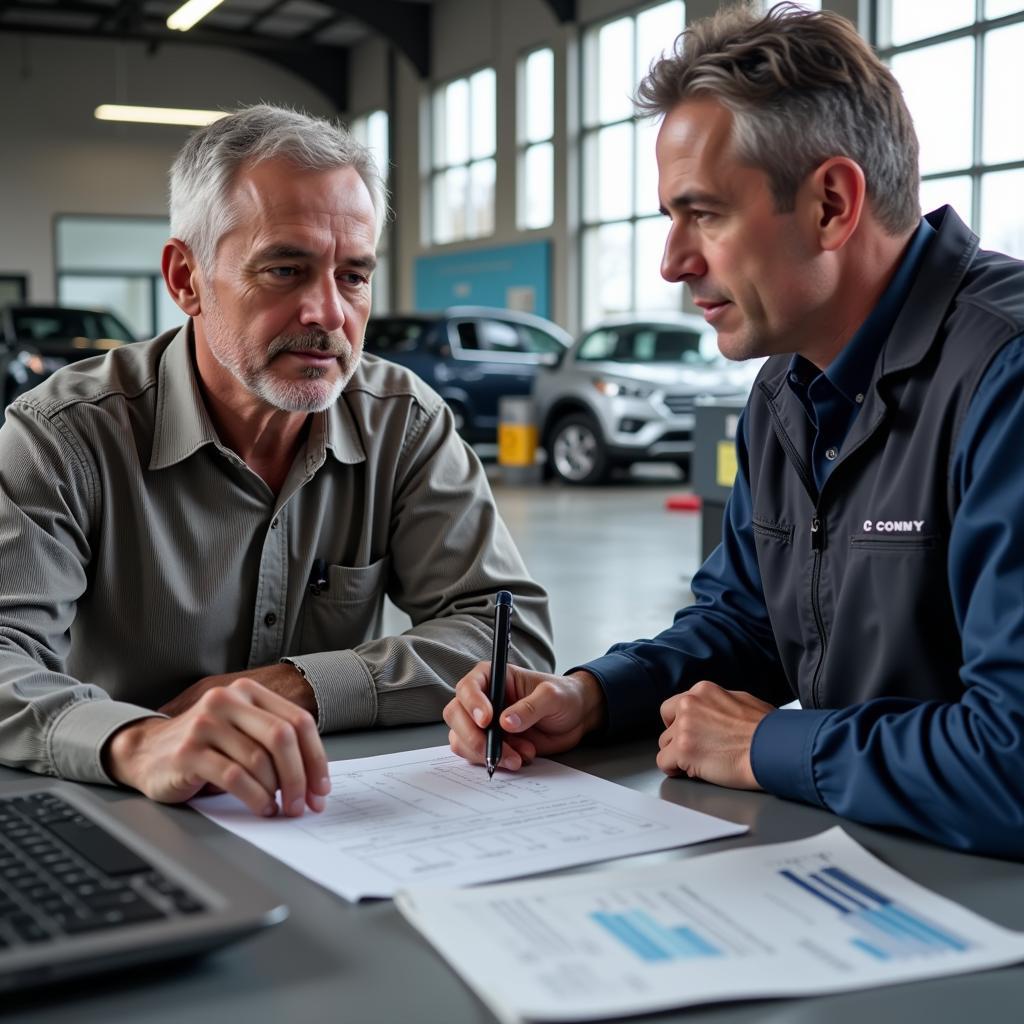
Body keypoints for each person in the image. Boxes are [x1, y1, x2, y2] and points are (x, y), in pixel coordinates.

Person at [445, 3, 1024, 857]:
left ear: (831, 204)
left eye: (704, 215)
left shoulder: (1003, 378)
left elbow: (1011, 761)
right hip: (866, 866)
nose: (673, 261)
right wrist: (593, 696)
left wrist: (766, 745)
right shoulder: (786, 388)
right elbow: (750, 625)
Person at [0, 104, 553, 820]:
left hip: (328, 813)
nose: (326, 312)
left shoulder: (402, 423)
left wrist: (298, 686)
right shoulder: (63, 438)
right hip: (123, 812)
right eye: (285, 269)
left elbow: (508, 635)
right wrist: (136, 741)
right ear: (186, 278)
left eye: (353, 276)